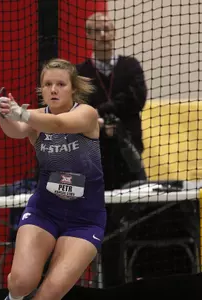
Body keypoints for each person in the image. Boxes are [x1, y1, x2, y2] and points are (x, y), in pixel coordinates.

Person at [0, 58, 106, 300]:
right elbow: (16, 131)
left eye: (61, 84)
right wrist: (5, 115)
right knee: (20, 282)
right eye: (47, 84)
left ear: (73, 89)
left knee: (50, 294)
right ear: (41, 89)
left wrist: (22, 114)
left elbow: (58, 124)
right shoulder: (33, 117)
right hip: (44, 211)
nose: (53, 89)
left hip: (85, 219)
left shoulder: (86, 114)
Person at [76, 12, 148, 287]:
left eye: (107, 29)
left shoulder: (130, 66)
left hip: (128, 156)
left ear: (114, 32)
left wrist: (100, 111)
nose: (104, 35)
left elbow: (136, 99)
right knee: (103, 225)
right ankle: (106, 282)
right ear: (89, 36)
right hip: (97, 158)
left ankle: (131, 278)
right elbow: (80, 108)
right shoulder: (81, 72)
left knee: (131, 220)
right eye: (97, 31)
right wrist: (99, 120)